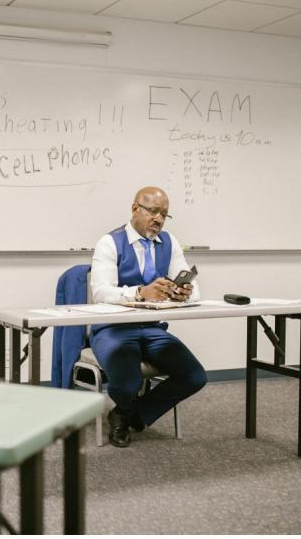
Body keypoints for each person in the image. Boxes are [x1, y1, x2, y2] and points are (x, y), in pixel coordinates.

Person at [90, 186, 207, 447]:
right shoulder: (110, 242)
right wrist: (140, 292)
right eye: (153, 211)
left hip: (152, 329)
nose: (159, 219)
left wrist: (183, 293)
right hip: (113, 329)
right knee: (127, 383)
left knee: (195, 376)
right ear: (135, 209)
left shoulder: (170, 242)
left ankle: (125, 415)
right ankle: (130, 410)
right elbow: (100, 292)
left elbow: (194, 288)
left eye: (164, 214)